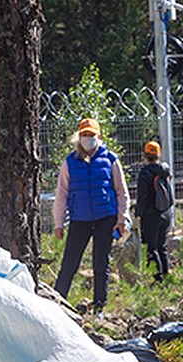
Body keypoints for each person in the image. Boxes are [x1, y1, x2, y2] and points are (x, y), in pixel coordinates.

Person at [52, 118, 130, 313]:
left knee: (101, 262)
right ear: (79, 137)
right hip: (79, 218)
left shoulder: (110, 159)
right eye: (84, 135)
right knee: (69, 262)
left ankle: (99, 308)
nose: (88, 138)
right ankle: (56, 302)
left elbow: (121, 191)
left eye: (91, 135)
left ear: (99, 136)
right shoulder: (70, 162)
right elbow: (62, 193)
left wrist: (122, 218)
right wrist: (58, 223)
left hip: (106, 217)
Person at [135, 140, 172, 282]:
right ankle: (166, 277)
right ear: (158, 155)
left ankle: (156, 280)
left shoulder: (145, 173)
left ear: (144, 155)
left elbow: (142, 197)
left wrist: (138, 214)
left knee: (151, 248)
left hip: (151, 216)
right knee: (162, 246)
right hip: (166, 213)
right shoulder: (165, 170)